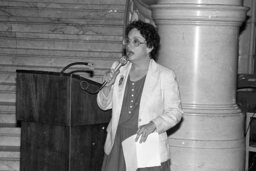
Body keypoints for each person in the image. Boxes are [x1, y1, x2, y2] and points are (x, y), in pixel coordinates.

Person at [97, 20, 183, 171]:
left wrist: (154, 124)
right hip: (117, 141)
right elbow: (103, 105)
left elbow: (175, 112)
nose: (129, 45)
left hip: (145, 142)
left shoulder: (165, 75)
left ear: (149, 47)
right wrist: (108, 86)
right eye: (128, 40)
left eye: (136, 42)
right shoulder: (118, 69)